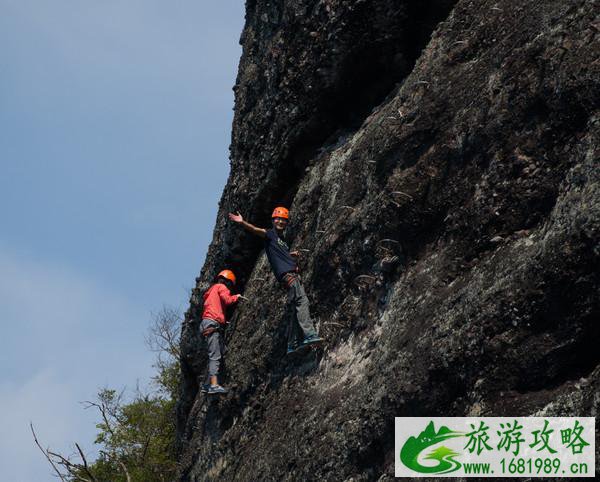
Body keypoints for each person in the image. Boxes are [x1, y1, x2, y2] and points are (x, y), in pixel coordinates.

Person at [228, 207, 323, 355]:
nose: (280, 221)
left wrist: (291, 254)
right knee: (302, 301)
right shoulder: (270, 235)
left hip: (289, 274)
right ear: (273, 221)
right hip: (288, 275)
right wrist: (242, 222)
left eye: (283, 220)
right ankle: (309, 334)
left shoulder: (282, 240)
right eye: (278, 219)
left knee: (294, 307)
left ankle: (292, 343)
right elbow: (255, 230)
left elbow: (280, 253)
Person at [200, 269, 241, 394]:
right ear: (228, 282)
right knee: (215, 356)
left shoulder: (211, 290)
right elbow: (227, 300)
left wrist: (222, 321)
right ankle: (213, 385)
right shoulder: (221, 287)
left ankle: (207, 384)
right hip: (212, 324)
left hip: (208, 323)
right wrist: (236, 297)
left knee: (220, 352)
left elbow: (215, 309)